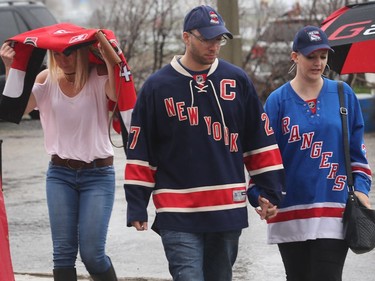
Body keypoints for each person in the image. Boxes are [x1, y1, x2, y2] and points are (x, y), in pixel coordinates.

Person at [123, 5, 285, 281]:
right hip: (177, 211)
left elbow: (259, 140)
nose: (214, 46)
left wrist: (269, 190)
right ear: (186, 37)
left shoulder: (237, 80)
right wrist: (137, 203)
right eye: (206, 38)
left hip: (226, 210)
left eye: (218, 39)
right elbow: (141, 150)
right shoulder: (157, 87)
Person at [0, 34, 119, 280]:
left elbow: (118, 95)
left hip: (98, 174)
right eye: (56, 54)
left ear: (81, 52)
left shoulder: (98, 76)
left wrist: (110, 60)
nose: (63, 59)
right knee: (63, 254)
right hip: (60, 174)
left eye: (69, 53)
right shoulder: (46, 79)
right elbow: (18, 109)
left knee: (92, 254)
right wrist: (11, 67)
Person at [261, 25, 372, 281]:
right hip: (290, 211)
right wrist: (261, 195)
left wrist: (362, 190)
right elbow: (265, 158)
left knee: (327, 276)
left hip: (334, 209)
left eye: (323, 56)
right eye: (311, 56)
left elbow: (357, 152)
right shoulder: (277, 102)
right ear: (295, 56)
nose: (318, 62)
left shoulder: (344, 95)